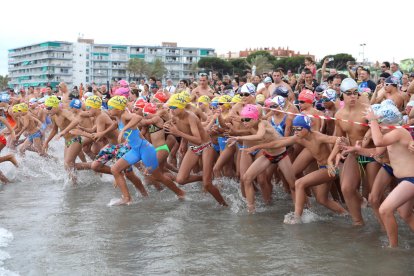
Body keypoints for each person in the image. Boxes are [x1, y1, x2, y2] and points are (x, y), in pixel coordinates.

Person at [109, 96, 185, 205]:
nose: (109, 109)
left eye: (111, 107)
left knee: (157, 176)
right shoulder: (118, 117)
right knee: (115, 169)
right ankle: (127, 198)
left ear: (119, 109)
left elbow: (138, 118)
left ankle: (180, 192)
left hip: (145, 149)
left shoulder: (125, 115)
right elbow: (138, 133)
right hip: (135, 150)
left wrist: (123, 130)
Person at [328, 78, 380, 225]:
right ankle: (358, 222)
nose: (352, 96)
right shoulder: (339, 115)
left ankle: (384, 227)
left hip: (371, 154)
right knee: (346, 188)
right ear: (342, 94)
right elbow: (339, 138)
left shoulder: (367, 109)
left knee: (375, 197)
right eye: (349, 93)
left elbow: (379, 131)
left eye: (355, 93)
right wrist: (335, 154)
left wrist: (367, 136)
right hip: (354, 153)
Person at [364, 100, 414, 247]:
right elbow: (378, 150)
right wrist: (355, 149)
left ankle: (393, 248)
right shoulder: (393, 133)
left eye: (380, 123)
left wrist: (373, 120)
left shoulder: (398, 132)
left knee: (385, 210)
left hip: (411, 180)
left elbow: (378, 142)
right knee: (405, 214)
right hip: (405, 180)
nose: (377, 127)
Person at [228, 104, 295, 213]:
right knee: (246, 178)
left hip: (281, 155)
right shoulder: (250, 123)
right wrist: (239, 122)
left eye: (247, 120)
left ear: (255, 119)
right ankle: (251, 210)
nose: (244, 122)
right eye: (243, 119)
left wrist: (238, 138)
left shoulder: (263, 123)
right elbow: (246, 121)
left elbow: (259, 136)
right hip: (268, 155)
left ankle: (304, 208)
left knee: (293, 185)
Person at [164, 93, 227, 206]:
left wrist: (178, 133)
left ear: (182, 106)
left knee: (207, 184)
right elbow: (181, 128)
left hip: (206, 146)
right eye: (170, 107)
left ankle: (223, 204)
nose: (171, 110)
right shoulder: (174, 116)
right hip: (193, 147)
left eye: (173, 107)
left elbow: (198, 139)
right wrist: (167, 127)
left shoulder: (191, 117)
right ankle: (203, 176)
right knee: (180, 180)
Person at [43, 96, 83, 184]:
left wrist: (63, 131)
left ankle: (93, 166)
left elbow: (76, 121)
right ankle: (75, 183)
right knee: (67, 165)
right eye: (46, 108)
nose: (47, 110)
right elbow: (54, 130)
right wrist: (46, 142)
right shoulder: (53, 116)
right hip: (67, 141)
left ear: (55, 106)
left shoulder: (65, 112)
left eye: (49, 108)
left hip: (75, 139)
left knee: (68, 163)